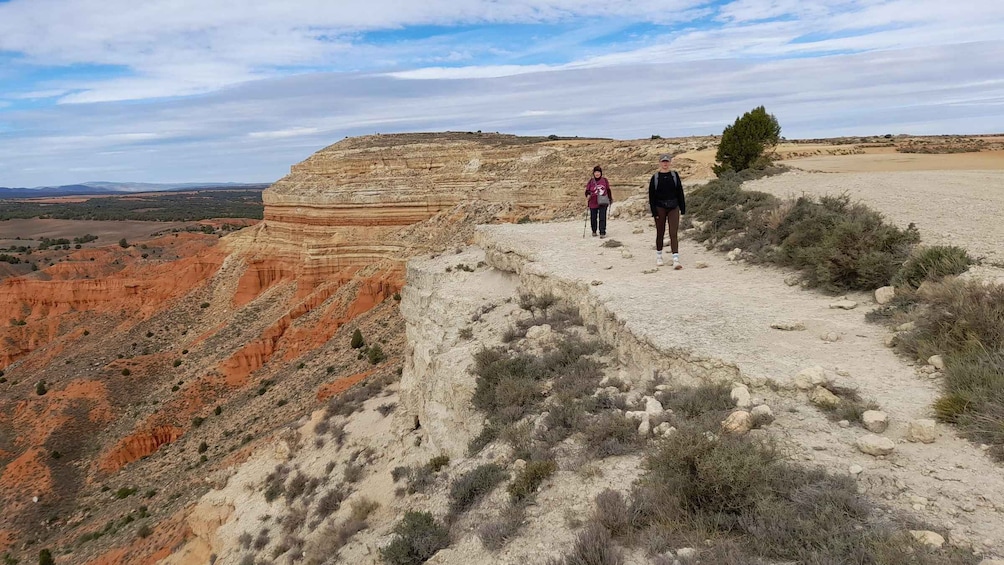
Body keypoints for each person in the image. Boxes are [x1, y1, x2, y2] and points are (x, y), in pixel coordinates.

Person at [648, 154, 686, 269]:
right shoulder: (655, 178)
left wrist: (682, 207)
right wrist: (654, 212)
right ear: (659, 163)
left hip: (673, 206)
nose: (665, 164)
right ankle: (659, 255)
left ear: (670, 163)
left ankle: (675, 258)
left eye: (667, 162)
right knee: (660, 232)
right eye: (663, 162)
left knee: (673, 233)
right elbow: (651, 196)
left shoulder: (674, 175)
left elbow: (680, 191)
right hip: (660, 207)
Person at [585, 165, 613, 238]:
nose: (597, 174)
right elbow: (587, 190)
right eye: (596, 172)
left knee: (602, 217)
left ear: (601, 173)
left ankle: (602, 232)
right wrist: (587, 195)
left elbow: (608, 190)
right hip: (593, 202)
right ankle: (594, 231)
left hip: (603, 201)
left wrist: (610, 199)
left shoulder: (604, 180)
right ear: (593, 173)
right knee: (593, 218)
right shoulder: (591, 181)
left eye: (598, 172)